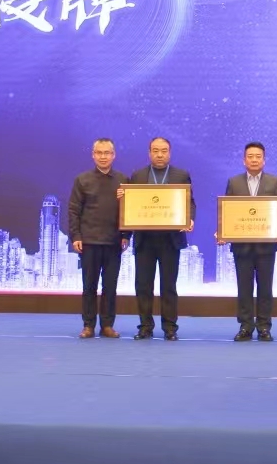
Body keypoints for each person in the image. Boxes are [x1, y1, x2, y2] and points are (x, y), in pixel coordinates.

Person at [122, 136, 195, 341]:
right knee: (143, 286)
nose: (159, 154)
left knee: (169, 286)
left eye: (164, 151)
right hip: (145, 240)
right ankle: (145, 327)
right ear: (149, 153)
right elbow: (130, 207)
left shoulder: (181, 175)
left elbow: (190, 202)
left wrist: (189, 219)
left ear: (169, 153)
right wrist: (126, 235)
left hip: (170, 240)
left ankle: (170, 328)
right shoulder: (137, 175)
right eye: (155, 150)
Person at [221, 142, 277, 341]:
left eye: (258, 156)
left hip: (266, 246)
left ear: (264, 160)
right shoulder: (234, 182)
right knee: (244, 287)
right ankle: (246, 326)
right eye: (250, 156)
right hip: (242, 246)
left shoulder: (274, 181)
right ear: (244, 160)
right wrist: (223, 232)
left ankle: (264, 327)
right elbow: (228, 211)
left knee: (265, 288)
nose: (254, 160)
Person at [68, 138, 128, 339]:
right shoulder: (82, 180)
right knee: (89, 286)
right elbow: (74, 210)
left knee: (110, 287)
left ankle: (107, 325)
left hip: (114, 242)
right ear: (93, 155)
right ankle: (88, 326)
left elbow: (129, 211)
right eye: (99, 153)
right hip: (89, 242)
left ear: (114, 155)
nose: (103, 157)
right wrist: (76, 235)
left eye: (107, 153)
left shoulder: (123, 181)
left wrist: (126, 235)